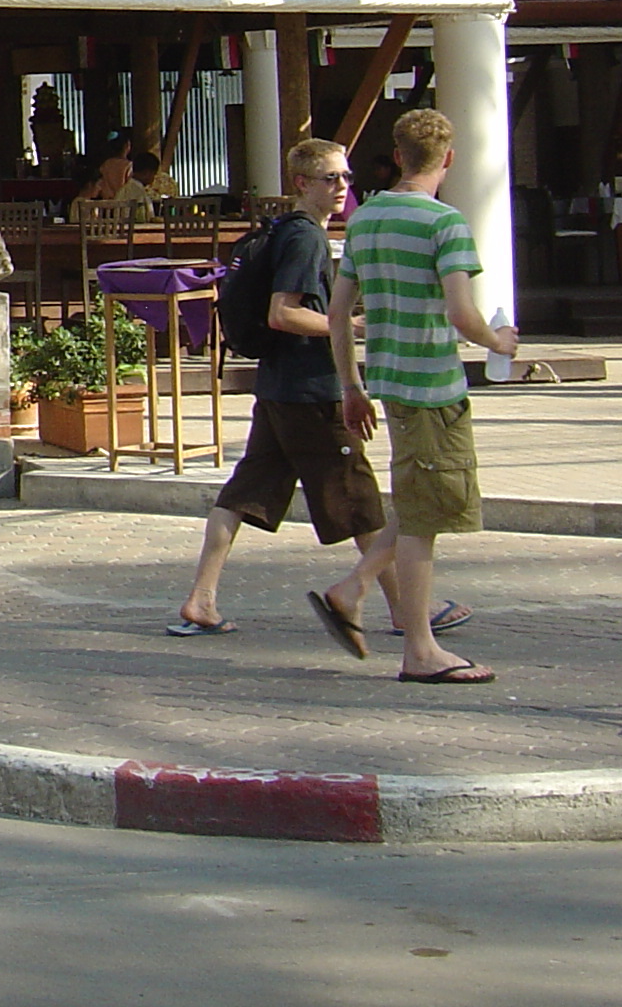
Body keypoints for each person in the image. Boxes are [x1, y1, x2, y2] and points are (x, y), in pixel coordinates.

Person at [173, 139, 438, 639]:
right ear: (301, 183)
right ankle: (407, 611)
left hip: (276, 386)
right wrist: (349, 326)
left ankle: (200, 598)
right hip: (309, 391)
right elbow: (283, 312)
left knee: (242, 496)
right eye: (330, 179)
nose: (342, 188)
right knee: (359, 501)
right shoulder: (305, 238)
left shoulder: (287, 232)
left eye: (346, 178)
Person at [311, 107, 519, 684]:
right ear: (448, 160)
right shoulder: (444, 223)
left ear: (398, 156)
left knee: (418, 500)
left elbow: (336, 315)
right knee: (426, 515)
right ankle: (419, 647)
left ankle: (351, 590)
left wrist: (351, 385)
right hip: (432, 385)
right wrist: (498, 339)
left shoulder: (366, 219)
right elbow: (461, 313)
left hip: (387, 380)